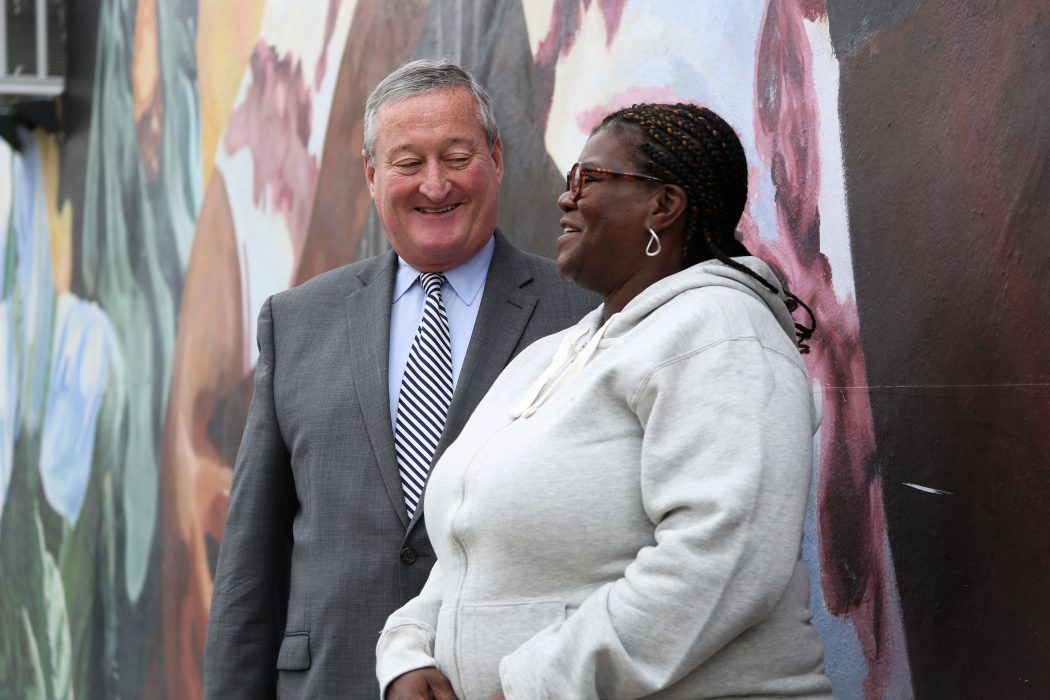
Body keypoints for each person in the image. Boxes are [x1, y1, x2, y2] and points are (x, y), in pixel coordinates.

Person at [377, 103, 832, 699]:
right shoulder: (548, 357)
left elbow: (723, 561)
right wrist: (408, 651)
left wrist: (531, 685)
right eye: (570, 181)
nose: (566, 200)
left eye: (589, 180)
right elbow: (471, 546)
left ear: (663, 205)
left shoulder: (721, 331)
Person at [202, 59, 596, 699]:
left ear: (496, 158)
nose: (434, 186)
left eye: (457, 156)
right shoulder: (297, 320)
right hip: (329, 681)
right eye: (408, 163)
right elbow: (252, 556)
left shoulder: (582, 312)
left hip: (506, 683)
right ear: (371, 174)